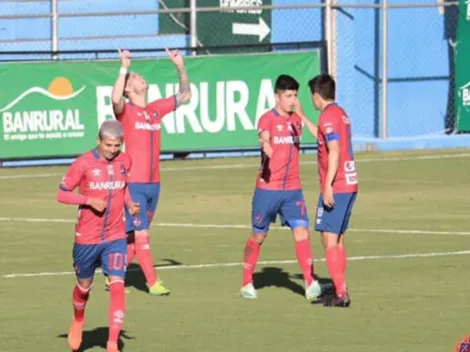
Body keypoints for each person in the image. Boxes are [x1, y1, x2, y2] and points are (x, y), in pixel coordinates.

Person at [109, 47, 191, 296]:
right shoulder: (125, 112)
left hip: (154, 184)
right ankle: (153, 282)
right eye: (134, 78)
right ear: (127, 88)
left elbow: (185, 95)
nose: (140, 77)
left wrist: (180, 66)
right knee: (142, 234)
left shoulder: (155, 109)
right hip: (133, 185)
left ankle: (114, 272)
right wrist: (124, 68)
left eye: (137, 76)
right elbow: (114, 100)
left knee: (134, 236)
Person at [57, 120, 140, 352]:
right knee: (84, 287)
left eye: (117, 145)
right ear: (98, 141)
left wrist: (129, 203)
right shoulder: (83, 163)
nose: (113, 150)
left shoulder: (125, 160)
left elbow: (122, 188)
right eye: (108, 145)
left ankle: (112, 343)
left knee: (117, 285)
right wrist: (88, 200)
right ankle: (78, 319)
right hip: (87, 238)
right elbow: (61, 194)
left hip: (115, 236)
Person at [240, 74, 322, 301]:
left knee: (302, 231)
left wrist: (303, 115)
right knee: (258, 236)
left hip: (293, 189)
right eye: (288, 96)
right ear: (277, 97)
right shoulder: (267, 118)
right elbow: (263, 136)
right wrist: (266, 144)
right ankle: (246, 281)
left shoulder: (297, 120)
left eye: (295, 95)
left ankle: (309, 282)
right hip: (268, 189)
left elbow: (318, 136)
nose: (292, 100)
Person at [296, 74, 358, 307]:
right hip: (349, 183)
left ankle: (341, 293)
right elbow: (323, 138)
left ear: (316, 95)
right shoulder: (339, 113)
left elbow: (334, 150)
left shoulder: (328, 116)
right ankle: (339, 286)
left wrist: (328, 186)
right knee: (335, 238)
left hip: (338, 185)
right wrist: (302, 116)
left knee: (329, 239)